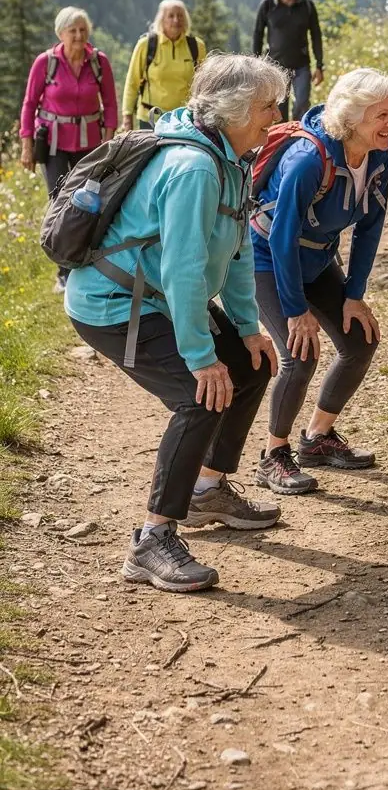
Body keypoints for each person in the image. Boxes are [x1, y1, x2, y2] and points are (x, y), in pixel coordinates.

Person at [64, 54, 288, 593]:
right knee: (199, 395)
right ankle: (152, 539)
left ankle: (207, 490)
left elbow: (235, 252)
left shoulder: (232, 159)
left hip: (157, 297)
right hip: (113, 303)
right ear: (234, 110)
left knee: (252, 365)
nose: (277, 116)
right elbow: (184, 269)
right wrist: (202, 358)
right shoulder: (194, 169)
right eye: (267, 106)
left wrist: (247, 328)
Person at [252, 68, 388, 494]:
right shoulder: (308, 159)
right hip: (265, 259)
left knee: (360, 340)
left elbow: (370, 225)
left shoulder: (379, 152)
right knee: (299, 355)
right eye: (381, 115)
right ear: (352, 118)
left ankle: (317, 438)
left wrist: (354, 294)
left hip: (316, 257)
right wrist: (295, 309)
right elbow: (281, 238)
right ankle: (273, 456)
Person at [20, 7, 118, 293]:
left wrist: (108, 141)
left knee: (90, 200)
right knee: (59, 200)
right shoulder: (46, 62)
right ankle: (63, 270)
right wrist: (26, 144)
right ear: (60, 33)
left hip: (90, 144)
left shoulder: (99, 62)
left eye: (82, 30)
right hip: (52, 144)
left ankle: (87, 260)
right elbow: (29, 104)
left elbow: (110, 103)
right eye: (72, 30)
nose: (78, 35)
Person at [252, 0, 324, 121]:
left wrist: (319, 65)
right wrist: (255, 63)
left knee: (302, 104)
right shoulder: (267, 5)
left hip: (301, 65)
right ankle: (282, 135)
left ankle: (297, 131)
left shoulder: (307, 6)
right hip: (275, 66)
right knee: (279, 108)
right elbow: (258, 34)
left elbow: (316, 35)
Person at [122, 0, 205, 130]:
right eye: (171, 16)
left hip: (184, 120)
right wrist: (127, 117)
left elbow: (204, 85)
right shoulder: (146, 45)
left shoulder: (196, 46)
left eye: (180, 16)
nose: (176, 20)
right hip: (151, 119)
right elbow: (132, 82)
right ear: (162, 19)